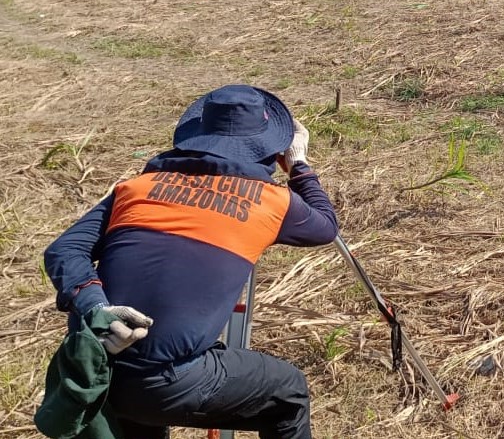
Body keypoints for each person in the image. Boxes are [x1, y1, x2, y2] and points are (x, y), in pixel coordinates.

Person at [41, 85, 340, 436]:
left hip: (94, 366)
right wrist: (299, 164)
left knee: (141, 414)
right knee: (288, 392)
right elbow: (326, 226)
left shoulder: (138, 187)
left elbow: (63, 250)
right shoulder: (271, 201)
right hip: (162, 383)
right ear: (271, 149)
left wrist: (96, 308)